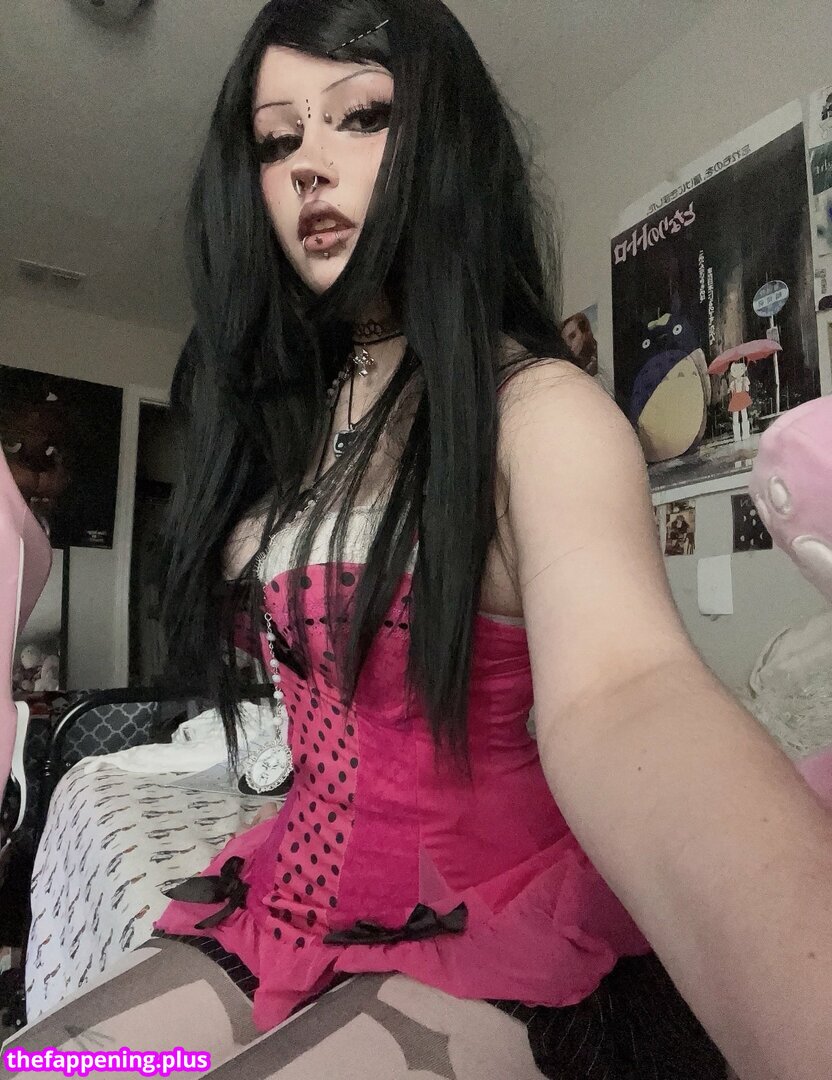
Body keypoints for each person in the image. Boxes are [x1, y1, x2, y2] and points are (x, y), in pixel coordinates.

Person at [7, 2, 832, 1078]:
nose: (308, 165)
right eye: (276, 139)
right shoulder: (284, 429)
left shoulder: (541, 413)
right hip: (292, 889)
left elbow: (626, 692)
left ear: (445, 143)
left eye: (360, 117)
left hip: (491, 907)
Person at [560, 310, 598, 376]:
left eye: (572, 336)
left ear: (584, 333)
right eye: (564, 341)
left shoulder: (598, 360)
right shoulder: (569, 370)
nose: (568, 344)